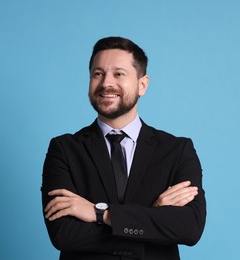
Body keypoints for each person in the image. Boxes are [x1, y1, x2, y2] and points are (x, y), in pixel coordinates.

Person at [41, 36, 206, 260]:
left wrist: (99, 213)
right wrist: (154, 217)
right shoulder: (64, 149)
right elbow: (64, 234)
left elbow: (189, 228)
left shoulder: (177, 150)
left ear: (142, 84)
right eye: (97, 74)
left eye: (118, 74)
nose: (106, 83)